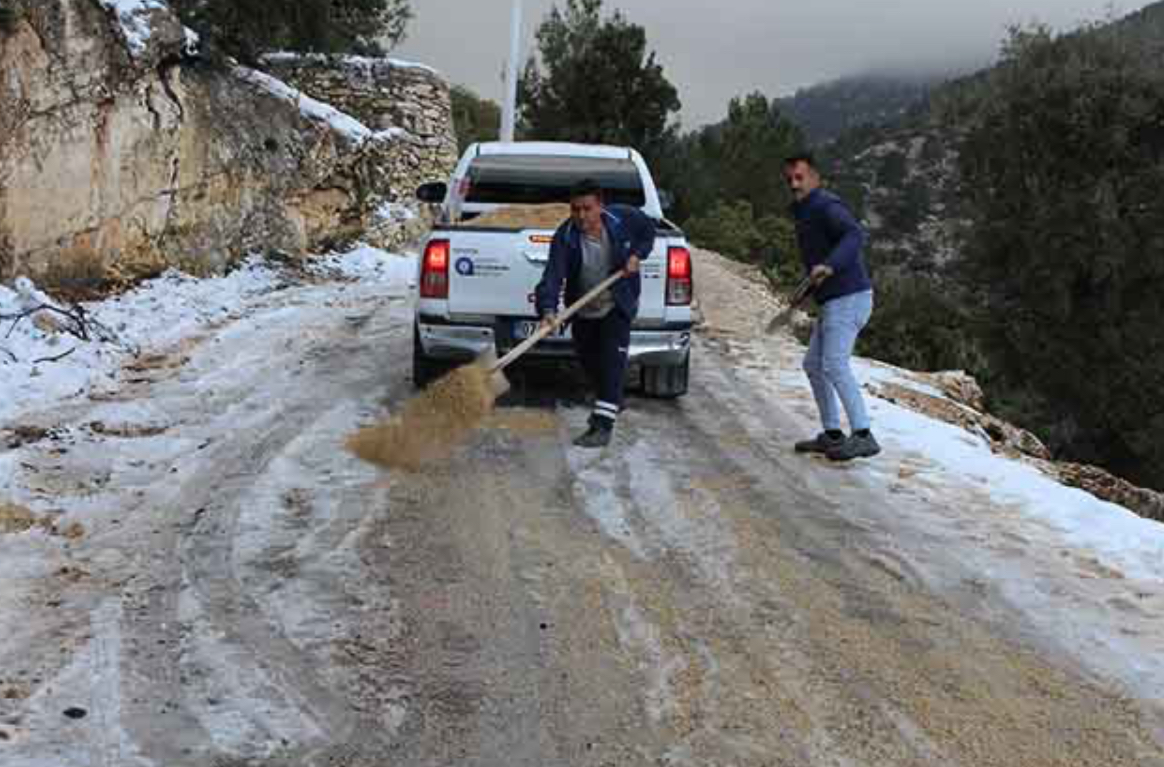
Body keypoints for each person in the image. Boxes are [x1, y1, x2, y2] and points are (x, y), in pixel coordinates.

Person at [535, 178, 656, 448]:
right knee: (591, 362)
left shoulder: (623, 218)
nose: (581, 216)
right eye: (575, 209)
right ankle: (612, 399)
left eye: (587, 208)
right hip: (584, 307)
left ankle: (602, 426)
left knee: (613, 360)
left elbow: (648, 231)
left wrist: (637, 254)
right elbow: (552, 277)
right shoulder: (565, 237)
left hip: (617, 301)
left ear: (600, 206)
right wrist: (548, 310)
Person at [783, 153, 880, 461]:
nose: (794, 185)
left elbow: (854, 235)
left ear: (815, 178)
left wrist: (830, 264)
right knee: (813, 364)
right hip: (832, 301)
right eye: (790, 180)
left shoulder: (827, 206)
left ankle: (864, 435)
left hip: (850, 298)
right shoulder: (804, 211)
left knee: (834, 364)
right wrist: (804, 290)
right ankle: (832, 434)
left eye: (800, 178)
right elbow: (817, 264)